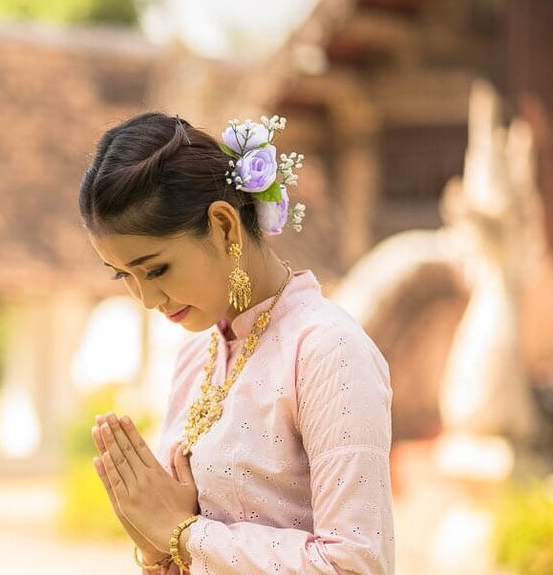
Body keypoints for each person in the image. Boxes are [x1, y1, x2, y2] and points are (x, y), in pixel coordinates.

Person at [78, 113, 394, 573]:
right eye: (124, 276)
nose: (145, 298)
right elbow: (181, 544)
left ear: (224, 226)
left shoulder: (327, 351)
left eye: (155, 269)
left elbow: (357, 564)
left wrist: (184, 533)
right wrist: (154, 546)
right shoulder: (197, 355)